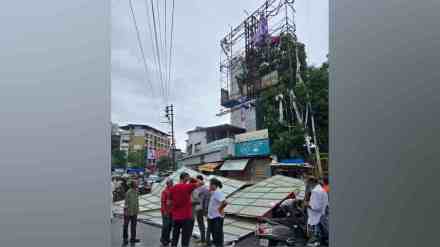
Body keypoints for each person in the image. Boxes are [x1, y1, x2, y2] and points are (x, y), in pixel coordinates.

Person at [169, 172, 202, 247]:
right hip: (186, 217)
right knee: (185, 238)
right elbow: (201, 182)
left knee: (175, 236)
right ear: (185, 178)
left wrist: (175, 205)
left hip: (176, 216)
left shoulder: (173, 188)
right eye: (187, 178)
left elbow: (169, 203)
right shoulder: (188, 186)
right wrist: (192, 178)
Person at [304, 176, 328, 247]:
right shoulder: (321, 189)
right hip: (321, 216)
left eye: (307, 183)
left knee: (315, 240)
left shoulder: (315, 191)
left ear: (311, 182)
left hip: (316, 219)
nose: (307, 185)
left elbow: (315, 207)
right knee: (321, 238)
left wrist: (306, 204)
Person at [207, 178, 227, 247]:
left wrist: (219, 209)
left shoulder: (218, 192)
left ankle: (219, 245)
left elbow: (225, 202)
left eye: (210, 184)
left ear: (214, 185)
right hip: (213, 217)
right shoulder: (214, 191)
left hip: (217, 217)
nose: (209, 186)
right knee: (215, 234)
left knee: (217, 234)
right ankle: (217, 244)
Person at [191, 175, 210, 246]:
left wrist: (205, 209)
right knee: (200, 224)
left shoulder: (202, 188)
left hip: (200, 208)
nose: (196, 182)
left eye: (197, 180)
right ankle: (202, 238)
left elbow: (199, 197)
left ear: (200, 180)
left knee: (201, 224)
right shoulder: (201, 187)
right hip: (198, 208)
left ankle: (203, 241)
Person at [122, 179, 140, 245]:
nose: (137, 184)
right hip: (128, 212)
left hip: (134, 211)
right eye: (136, 183)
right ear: (133, 185)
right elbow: (126, 203)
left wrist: (137, 210)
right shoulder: (128, 192)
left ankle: (133, 238)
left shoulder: (137, 191)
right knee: (125, 226)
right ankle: (125, 239)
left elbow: (137, 201)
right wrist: (125, 212)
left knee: (134, 226)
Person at [160, 179, 174, 247]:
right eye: (171, 183)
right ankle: (163, 239)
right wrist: (165, 211)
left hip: (171, 211)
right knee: (166, 226)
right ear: (167, 184)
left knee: (170, 226)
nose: (172, 184)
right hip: (166, 211)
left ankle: (167, 238)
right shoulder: (165, 191)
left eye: (172, 183)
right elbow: (163, 202)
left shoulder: (173, 191)